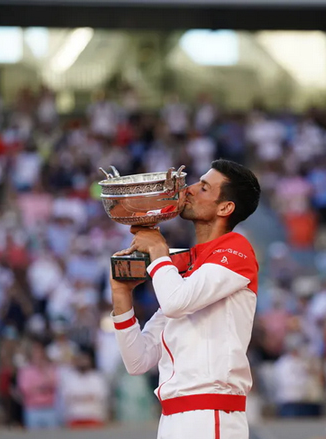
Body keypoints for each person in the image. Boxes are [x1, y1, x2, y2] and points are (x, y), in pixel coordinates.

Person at [110, 159, 261, 439]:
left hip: (211, 414)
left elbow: (176, 302)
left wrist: (158, 251)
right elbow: (138, 361)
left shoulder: (236, 250)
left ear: (225, 208)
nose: (189, 190)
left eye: (204, 188)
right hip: (170, 418)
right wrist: (122, 294)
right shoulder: (185, 268)